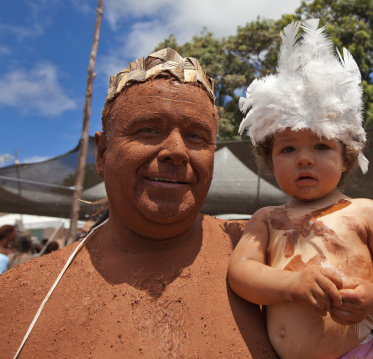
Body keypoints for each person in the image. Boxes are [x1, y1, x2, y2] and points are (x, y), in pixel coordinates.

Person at [0, 48, 277, 358]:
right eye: (148, 129)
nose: (176, 150)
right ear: (102, 153)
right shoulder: (19, 299)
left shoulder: (273, 257)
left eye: (196, 136)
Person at [228, 20, 373, 359]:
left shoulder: (365, 211)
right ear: (270, 162)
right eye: (287, 149)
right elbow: (241, 272)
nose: (304, 159)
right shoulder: (267, 219)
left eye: (320, 147)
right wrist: (290, 285)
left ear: (345, 158)